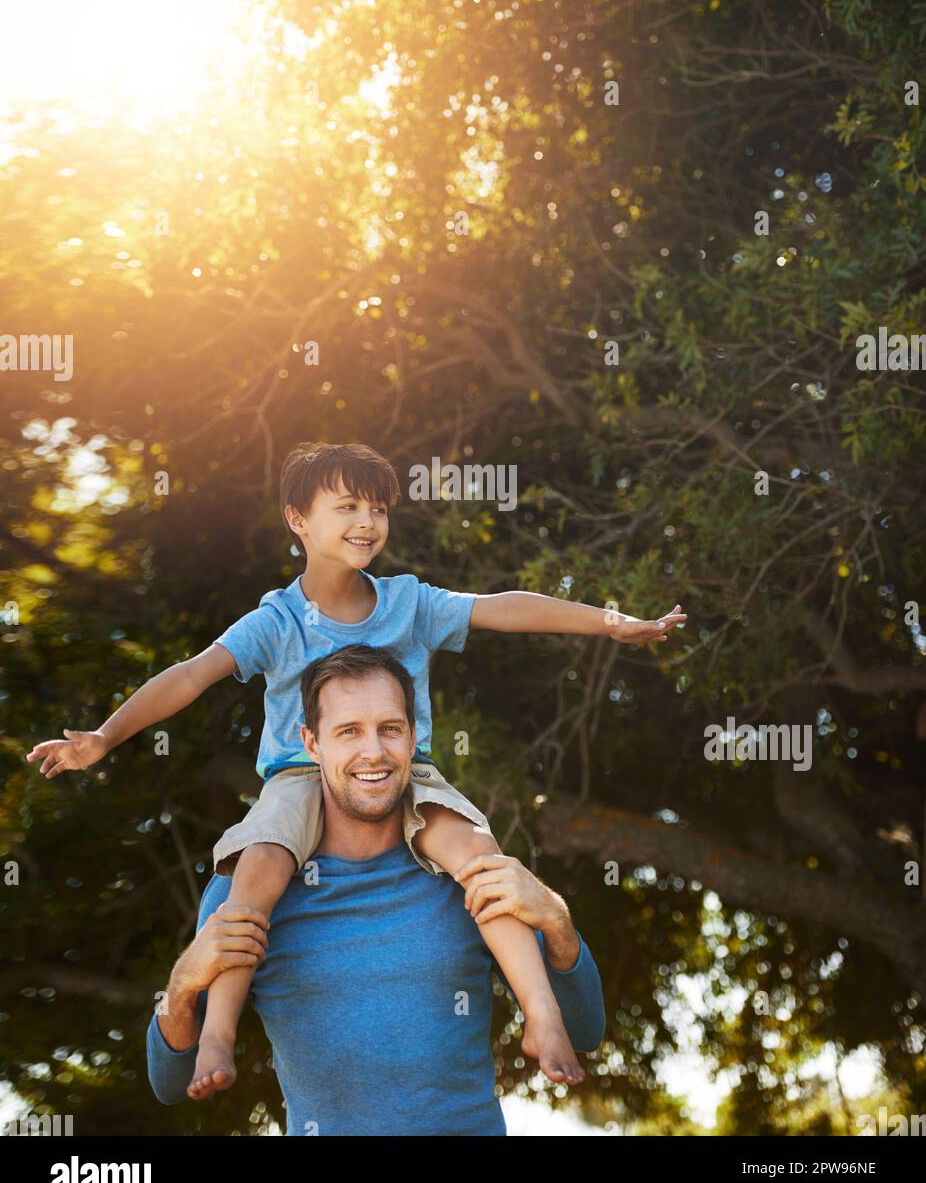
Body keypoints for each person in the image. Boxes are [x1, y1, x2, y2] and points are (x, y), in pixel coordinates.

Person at [28, 440, 685, 1096]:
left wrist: (610, 622)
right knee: (255, 869)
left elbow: (504, 607)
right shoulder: (278, 620)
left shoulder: (409, 602)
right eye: (346, 506)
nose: (367, 521)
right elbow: (192, 674)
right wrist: (106, 738)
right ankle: (218, 1031)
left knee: (481, 855)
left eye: (378, 508)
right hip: (296, 777)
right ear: (297, 519)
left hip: (410, 772)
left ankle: (540, 1013)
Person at [146, 645, 606, 1135]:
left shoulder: (468, 875)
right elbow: (169, 1084)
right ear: (312, 743)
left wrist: (558, 923)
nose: (374, 752)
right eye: (348, 732)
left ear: (412, 738)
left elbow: (584, 1031)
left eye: (390, 728)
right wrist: (183, 985)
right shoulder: (245, 888)